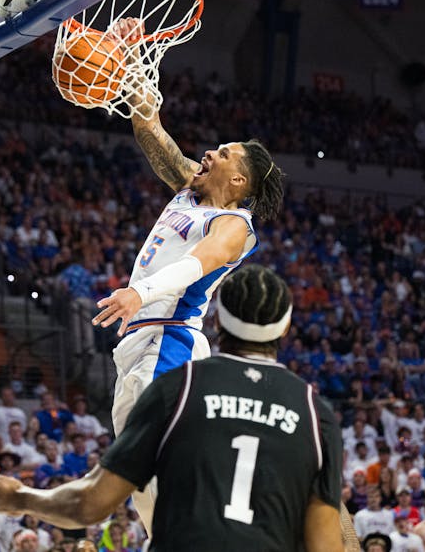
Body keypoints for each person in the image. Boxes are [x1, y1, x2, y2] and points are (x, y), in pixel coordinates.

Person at [0, 265, 341, 552]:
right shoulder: (315, 412)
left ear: (215, 321)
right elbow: (327, 544)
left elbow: (90, 504)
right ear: (287, 326)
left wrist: (19, 498)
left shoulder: (179, 387)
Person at [90, 30, 284, 531]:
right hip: (140, 345)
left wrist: (141, 292)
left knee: (153, 477)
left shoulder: (235, 227)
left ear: (238, 182)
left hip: (168, 343)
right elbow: (154, 133)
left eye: (220, 154)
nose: (208, 156)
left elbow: (196, 264)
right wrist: (133, 75)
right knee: (145, 491)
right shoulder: (189, 190)